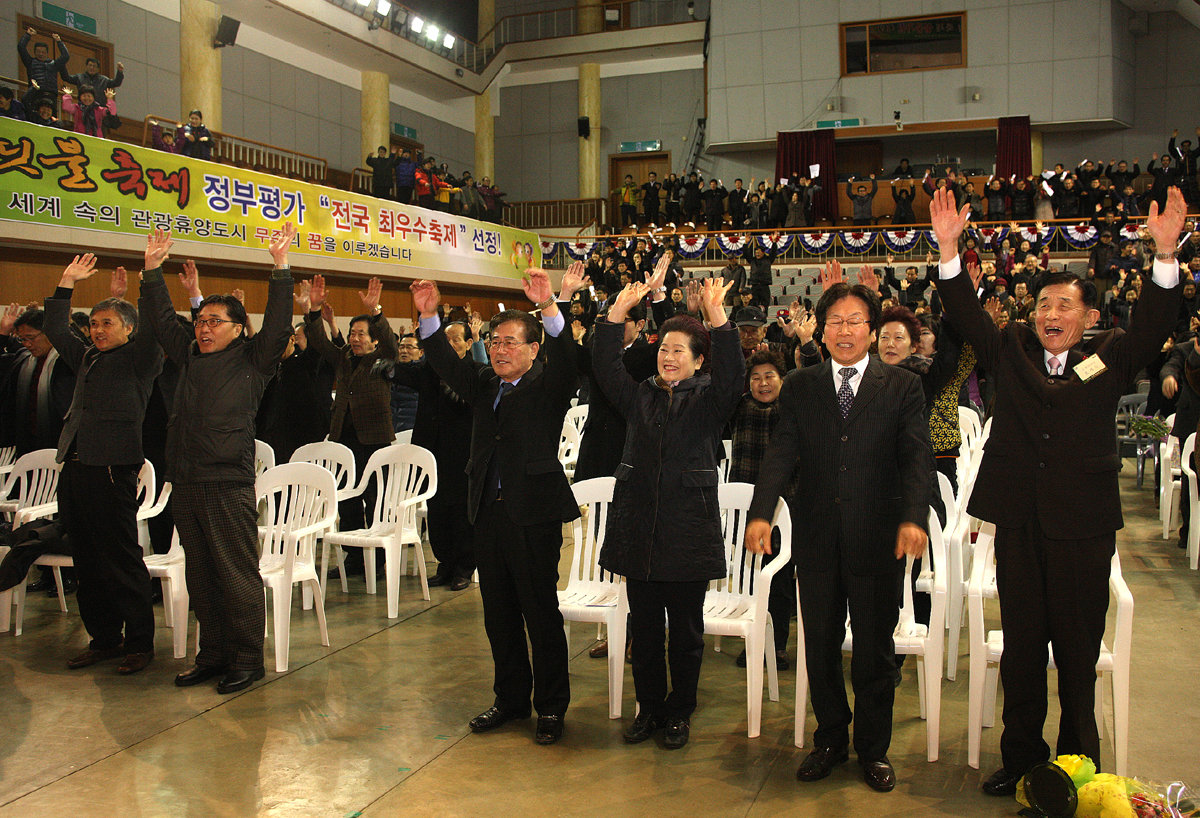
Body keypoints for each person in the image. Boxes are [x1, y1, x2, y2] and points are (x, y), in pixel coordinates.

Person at [928, 185, 1185, 796]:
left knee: (1075, 655)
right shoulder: (1010, 350)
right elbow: (965, 315)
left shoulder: (1113, 359)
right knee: (1020, 651)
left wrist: (1166, 256)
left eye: (1065, 306)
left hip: (1083, 530)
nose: (1051, 315)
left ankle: (1076, 767)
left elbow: (1153, 326)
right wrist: (948, 250)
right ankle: (1020, 756)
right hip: (1016, 524)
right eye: (1044, 303)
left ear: (1089, 317)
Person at [744, 263, 934, 794]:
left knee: (874, 650)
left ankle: (873, 749)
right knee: (820, 643)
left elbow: (916, 459)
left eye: (854, 321)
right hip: (817, 537)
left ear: (871, 330)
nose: (844, 331)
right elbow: (783, 452)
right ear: (822, 329)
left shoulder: (902, 386)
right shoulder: (801, 385)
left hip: (878, 540)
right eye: (834, 322)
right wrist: (761, 511)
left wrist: (913, 518)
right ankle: (830, 737)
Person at [410, 265, 584, 746]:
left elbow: (568, 356)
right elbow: (447, 365)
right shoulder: (485, 383)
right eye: (496, 341)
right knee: (498, 614)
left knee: (540, 613)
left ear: (533, 349)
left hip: (534, 515)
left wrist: (551, 305)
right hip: (487, 513)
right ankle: (509, 700)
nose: (502, 349)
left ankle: (550, 708)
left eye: (512, 342)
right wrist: (429, 317)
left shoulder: (550, 383)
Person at [140, 223, 296, 694]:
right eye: (201, 322)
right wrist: (152, 272)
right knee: (201, 573)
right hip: (186, 479)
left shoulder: (254, 360)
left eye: (215, 323)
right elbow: (165, 321)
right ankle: (212, 655)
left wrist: (281, 269)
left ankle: (247, 659)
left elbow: (279, 323)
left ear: (237, 329)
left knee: (235, 572)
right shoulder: (188, 357)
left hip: (227, 480)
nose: (204, 329)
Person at [594, 268, 741, 750]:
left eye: (680, 350)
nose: (668, 356)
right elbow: (605, 367)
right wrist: (616, 315)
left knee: (686, 635)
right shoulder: (639, 396)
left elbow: (734, 376)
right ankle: (649, 709)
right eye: (663, 349)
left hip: (687, 531)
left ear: (699, 362)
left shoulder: (710, 402)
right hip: (639, 529)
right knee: (645, 630)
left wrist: (718, 319)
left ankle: (680, 712)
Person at [42, 256, 163, 675]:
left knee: (121, 556)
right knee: (86, 556)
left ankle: (140, 643)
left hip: (112, 466)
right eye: (94, 324)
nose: (97, 330)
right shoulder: (89, 357)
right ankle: (104, 638)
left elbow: (155, 323)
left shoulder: (141, 357)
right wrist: (66, 281)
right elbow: (56, 328)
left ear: (130, 329)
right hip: (75, 465)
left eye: (108, 323)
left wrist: (150, 277)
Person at [299, 275, 397, 575]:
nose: (355, 338)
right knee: (348, 501)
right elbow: (317, 341)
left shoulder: (383, 359)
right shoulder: (343, 357)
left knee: (375, 499)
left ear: (373, 339)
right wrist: (314, 311)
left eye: (361, 334)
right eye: (352, 333)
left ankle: (379, 560)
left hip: (375, 439)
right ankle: (353, 559)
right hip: (344, 437)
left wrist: (376, 312)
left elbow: (392, 345)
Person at [390, 318, 482, 591]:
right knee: (437, 511)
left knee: (461, 510)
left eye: (456, 339)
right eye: (446, 340)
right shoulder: (430, 369)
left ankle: (465, 567)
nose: (450, 344)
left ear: (468, 344)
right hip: (431, 451)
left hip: (462, 453)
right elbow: (404, 374)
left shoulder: (475, 372)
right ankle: (445, 565)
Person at [18, 27, 69, 112]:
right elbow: (21, 47)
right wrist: (28, 35)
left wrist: (59, 41)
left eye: (43, 52)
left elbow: (65, 56)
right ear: (34, 52)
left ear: (47, 53)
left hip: (51, 95)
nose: (40, 54)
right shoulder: (30, 62)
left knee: (51, 119)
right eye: (38, 51)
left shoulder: (54, 64)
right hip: (35, 93)